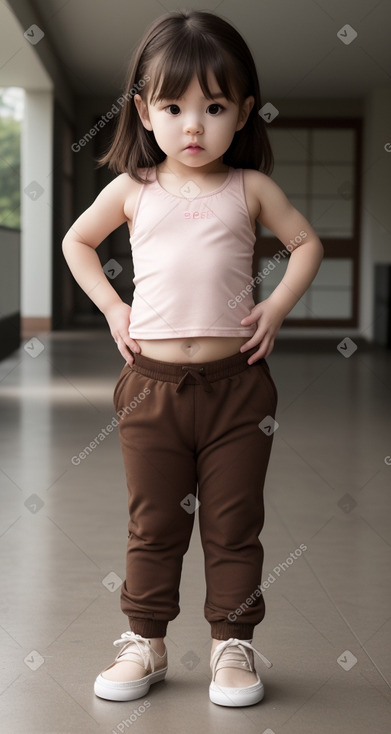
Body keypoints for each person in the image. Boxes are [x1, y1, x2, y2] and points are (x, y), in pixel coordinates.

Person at [62, 8, 323, 708]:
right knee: (153, 521)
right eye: (174, 107)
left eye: (213, 107)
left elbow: (306, 245)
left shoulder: (250, 188)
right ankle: (144, 642)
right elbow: (76, 243)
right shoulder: (132, 189)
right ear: (144, 111)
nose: (193, 126)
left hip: (238, 389)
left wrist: (274, 307)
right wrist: (115, 309)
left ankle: (229, 645)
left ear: (242, 112)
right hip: (149, 389)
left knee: (233, 524)